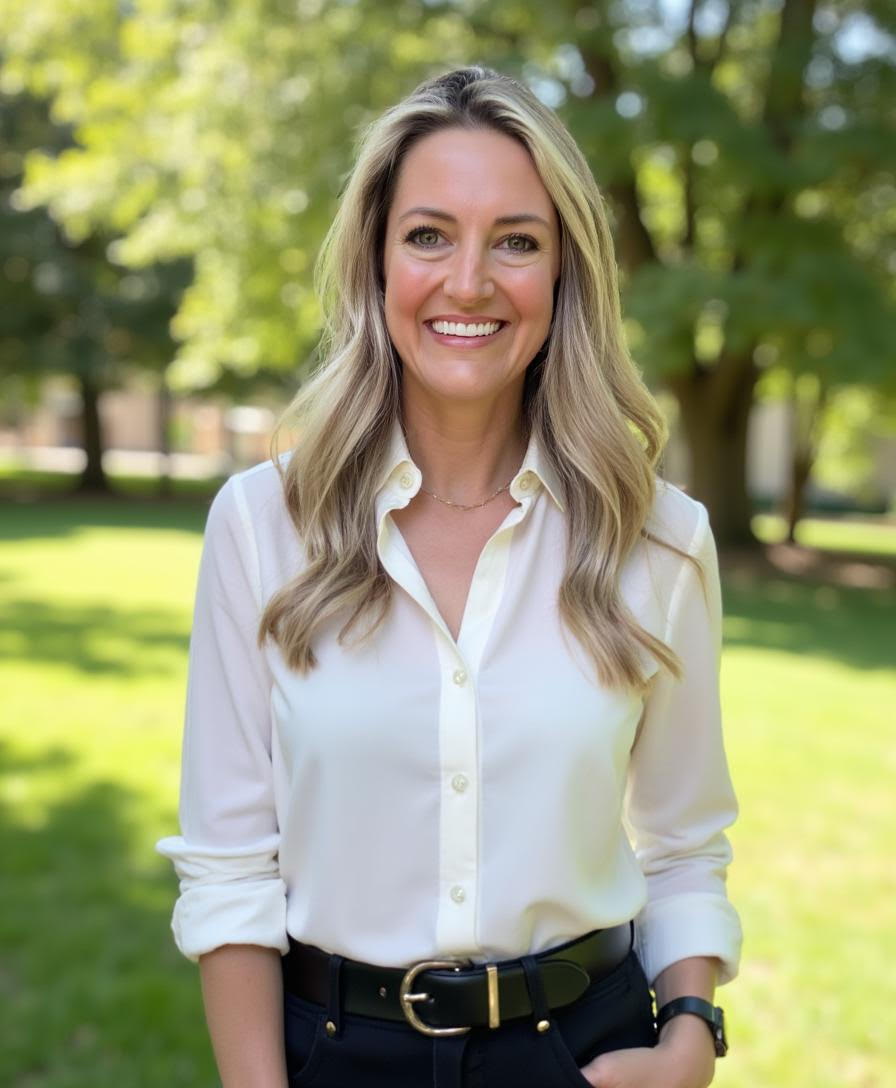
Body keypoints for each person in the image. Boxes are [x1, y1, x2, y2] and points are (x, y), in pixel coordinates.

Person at [156, 66, 742, 1088]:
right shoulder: (260, 525)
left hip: (584, 1050)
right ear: (375, 262)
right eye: (428, 234)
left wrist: (687, 1037)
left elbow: (684, 841)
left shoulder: (659, 539)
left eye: (515, 240)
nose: (467, 281)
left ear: (563, 274)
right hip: (329, 1054)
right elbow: (228, 865)